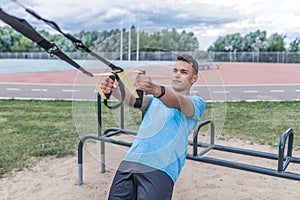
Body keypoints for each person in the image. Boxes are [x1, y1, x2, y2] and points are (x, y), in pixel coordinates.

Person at [101, 54, 206, 200]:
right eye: (175, 70)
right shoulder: (154, 100)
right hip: (130, 162)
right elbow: (133, 100)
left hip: (160, 168)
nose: (177, 75)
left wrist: (155, 89)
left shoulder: (197, 102)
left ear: (194, 79)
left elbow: (177, 102)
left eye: (183, 72)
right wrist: (114, 90)